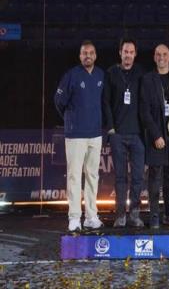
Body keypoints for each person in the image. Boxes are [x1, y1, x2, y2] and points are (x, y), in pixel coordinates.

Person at [54, 40, 104, 232]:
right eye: (84, 53)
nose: (88, 56)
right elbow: (59, 101)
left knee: (92, 175)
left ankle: (91, 216)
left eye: (91, 53)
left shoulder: (100, 75)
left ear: (95, 55)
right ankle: (74, 217)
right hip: (75, 135)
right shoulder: (71, 75)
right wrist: (71, 119)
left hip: (95, 134)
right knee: (75, 176)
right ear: (80, 56)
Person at [102, 38, 145, 228]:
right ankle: (120, 215)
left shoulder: (141, 73)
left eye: (131, 52)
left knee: (137, 177)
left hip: (137, 134)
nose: (128, 55)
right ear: (120, 53)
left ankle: (134, 214)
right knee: (120, 177)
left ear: (135, 54)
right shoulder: (111, 73)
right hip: (118, 133)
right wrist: (110, 128)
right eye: (125, 52)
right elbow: (105, 102)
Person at [139, 44, 169, 229]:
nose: (162, 57)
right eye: (158, 54)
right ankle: (155, 215)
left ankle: (168, 213)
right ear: (154, 57)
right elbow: (144, 111)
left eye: (165, 54)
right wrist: (156, 135)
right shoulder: (148, 79)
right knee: (155, 176)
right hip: (156, 135)